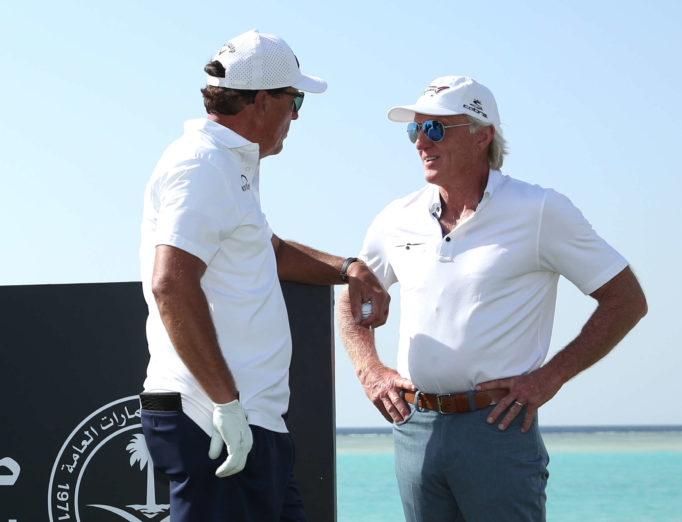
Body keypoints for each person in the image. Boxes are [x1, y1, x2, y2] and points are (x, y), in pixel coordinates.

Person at [337, 75, 647, 521]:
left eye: (437, 128)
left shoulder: (540, 210)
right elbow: (352, 297)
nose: (421, 141)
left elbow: (626, 300)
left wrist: (550, 377)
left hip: (497, 427)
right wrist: (370, 371)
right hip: (415, 428)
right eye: (415, 129)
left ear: (483, 136)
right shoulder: (395, 218)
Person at [139, 30, 388, 521]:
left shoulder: (229, 162)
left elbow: (268, 251)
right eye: (293, 100)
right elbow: (171, 283)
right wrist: (227, 404)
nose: (296, 114)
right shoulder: (203, 163)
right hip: (213, 418)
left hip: (242, 419)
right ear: (259, 103)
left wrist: (348, 267)